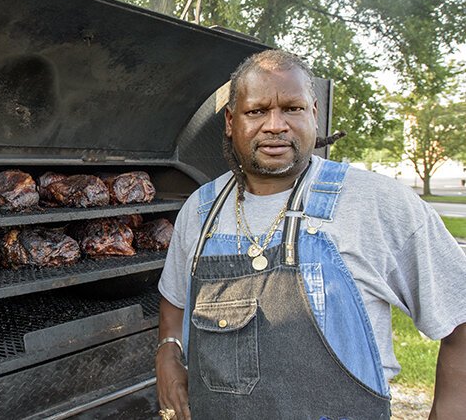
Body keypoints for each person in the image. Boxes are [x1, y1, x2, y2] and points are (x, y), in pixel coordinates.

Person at [155, 49, 466, 419]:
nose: (275, 125)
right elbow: (174, 300)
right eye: (257, 111)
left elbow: (459, 319)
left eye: (292, 108)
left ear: (314, 114)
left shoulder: (379, 204)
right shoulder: (201, 210)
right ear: (230, 121)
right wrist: (168, 350)